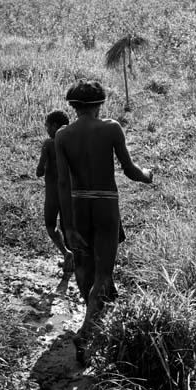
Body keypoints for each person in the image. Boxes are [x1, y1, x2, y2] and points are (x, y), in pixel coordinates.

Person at [54, 80, 153, 361]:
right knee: (104, 273)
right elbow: (131, 170)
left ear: (73, 106)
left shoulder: (62, 135)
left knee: (84, 268)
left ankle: (93, 313)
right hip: (105, 205)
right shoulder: (111, 128)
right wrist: (148, 174)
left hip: (78, 205)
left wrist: (68, 225)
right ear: (100, 104)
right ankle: (87, 331)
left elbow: (63, 182)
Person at [36, 110, 74, 273]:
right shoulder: (73, 142)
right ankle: (77, 260)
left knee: (51, 225)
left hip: (53, 192)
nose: (46, 129)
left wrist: (43, 167)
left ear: (54, 126)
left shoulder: (49, 144)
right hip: (71, 191)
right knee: (70, 226)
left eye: (47, 125)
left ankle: (66, 254)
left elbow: (39, 171)